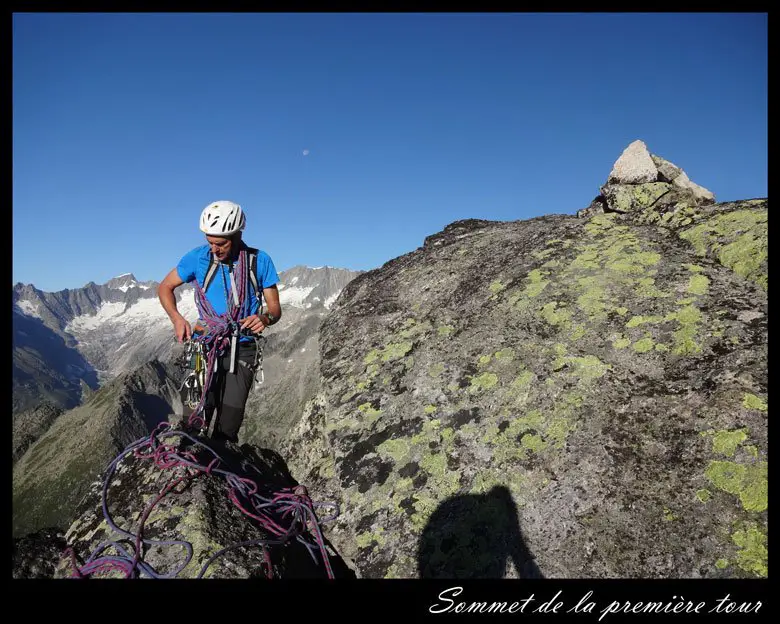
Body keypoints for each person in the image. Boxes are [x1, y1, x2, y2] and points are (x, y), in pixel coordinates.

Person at [158, 200, 282, 443]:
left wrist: (265, 318)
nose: (214, 248)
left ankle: (219, 468)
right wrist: (176, 318)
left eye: (221, 243)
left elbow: (275, 308)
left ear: (237, 235)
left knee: (228, 427)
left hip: (243, 348)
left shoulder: (259, 261)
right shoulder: (196, 258)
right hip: (204, 345)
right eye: (210, 242)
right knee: (192, 421)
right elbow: (165, 287)